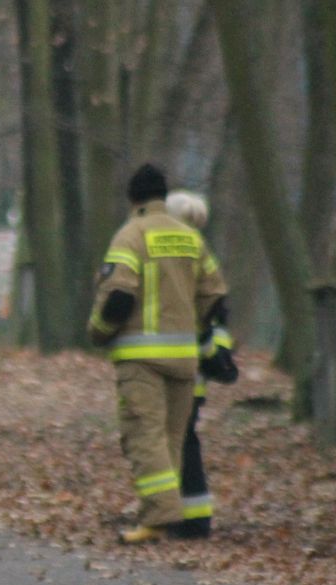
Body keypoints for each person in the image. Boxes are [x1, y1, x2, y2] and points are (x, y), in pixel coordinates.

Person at [87, 164, 228, 544]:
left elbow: (118, 297)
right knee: (172, 438)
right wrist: (195, 329)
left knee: (144, 435)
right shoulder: (191, 238)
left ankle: (157, 519)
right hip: (184, 357)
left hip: (141, 357)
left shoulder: (130, 236)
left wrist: (98, 333)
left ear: (133, 199)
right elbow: (215, 295)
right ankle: (172, 514)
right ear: (164, 197)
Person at [165, 189, 238, 538]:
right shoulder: (203, 255)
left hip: (174, 367)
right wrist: (214, 355)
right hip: (194, 368)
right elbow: (217, 314)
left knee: (176, 443)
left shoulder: (176, 256)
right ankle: (190, 512)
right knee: (184, 440)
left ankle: (189, 518)